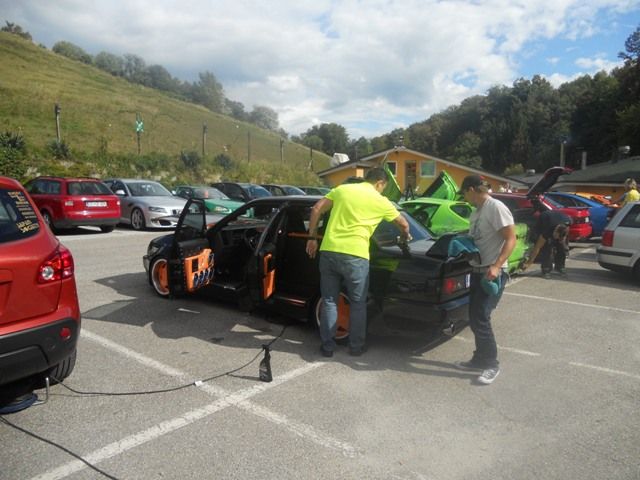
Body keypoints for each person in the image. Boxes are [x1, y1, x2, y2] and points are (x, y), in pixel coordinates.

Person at [305, 167, 410, 357]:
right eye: (383, 187)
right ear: (380, 183)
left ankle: (327, 347)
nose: (382, 190)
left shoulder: (342, 189)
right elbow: (403, 223)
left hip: (329, 251)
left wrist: (311, 237)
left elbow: (317, 208)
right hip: (356, 256)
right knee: (358, 303)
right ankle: (356, 347)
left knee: (329, 301)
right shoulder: (381, 201)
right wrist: (405, 236)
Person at [455, 175, 516, 385]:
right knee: (474, 317)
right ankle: (479, 359)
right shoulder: (476, 212)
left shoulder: (495, 207)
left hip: (492, 273)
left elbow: (511, 238)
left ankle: (491, 364)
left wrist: (497, 266)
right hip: (478, 270)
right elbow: (479, 237)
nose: (464, 198)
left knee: (481, 317)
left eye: (464, 193)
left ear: (471, 189)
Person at [523, 207, 571, 278]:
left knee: (561, 248)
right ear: (555, 231)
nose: (556, 238)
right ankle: (546, 269)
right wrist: (529, 262)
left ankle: (560, 267)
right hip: (544, 218)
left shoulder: (568, 223)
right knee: (547, 248)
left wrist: (563, 243)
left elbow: (563, 238)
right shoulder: (547, 229)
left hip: (559, 218)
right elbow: (537, 247)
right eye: (555, 236)